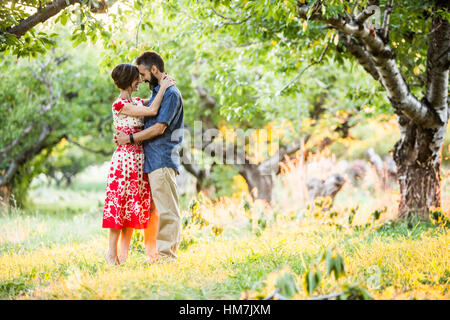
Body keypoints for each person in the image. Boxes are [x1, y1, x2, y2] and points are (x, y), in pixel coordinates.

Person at [103, 63, 175, 265]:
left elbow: (152, 102)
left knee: (131, 208)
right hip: (125, 161)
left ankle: (123, 257)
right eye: (137, 78)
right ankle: (111, 254)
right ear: (129, 81)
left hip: (139, 160)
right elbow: (152, 110)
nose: (140, 81)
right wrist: (164, 87)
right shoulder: (120, 105)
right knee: (119, 207)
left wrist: (162, 82)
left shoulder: (135, 101)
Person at [115, 51, 184, 261]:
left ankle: (166, 257)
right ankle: (156, 254)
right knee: (158, 210)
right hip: (152, 161)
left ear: (154, 70)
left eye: (143, 74)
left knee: (167, 211)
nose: (141, 78)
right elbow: (145, 106)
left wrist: (130, 138)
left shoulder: (170, 93)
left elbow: (159, 128)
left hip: (162, 158)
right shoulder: (158, 91)